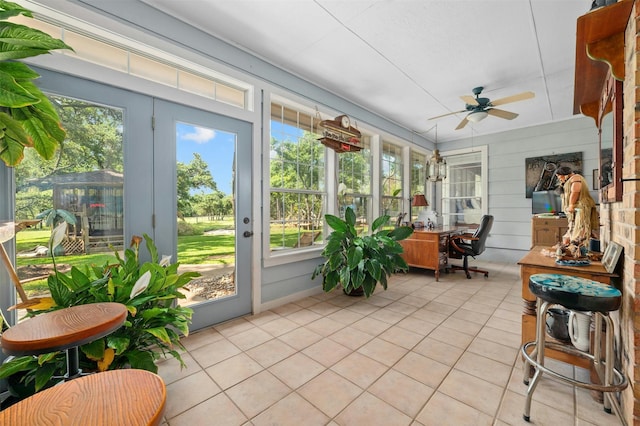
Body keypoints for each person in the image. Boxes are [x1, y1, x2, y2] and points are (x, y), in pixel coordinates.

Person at [555, 166, 599, 246]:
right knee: (572, 230)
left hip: (581, 208)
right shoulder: (569, 180)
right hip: (575, 210)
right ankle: (572, 247)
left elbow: (575, 191)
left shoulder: (576, 178)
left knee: (580, 229)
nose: (559, 179)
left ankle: (579, 249)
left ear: (562, 174)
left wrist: (571, 205)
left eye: (559, 176)